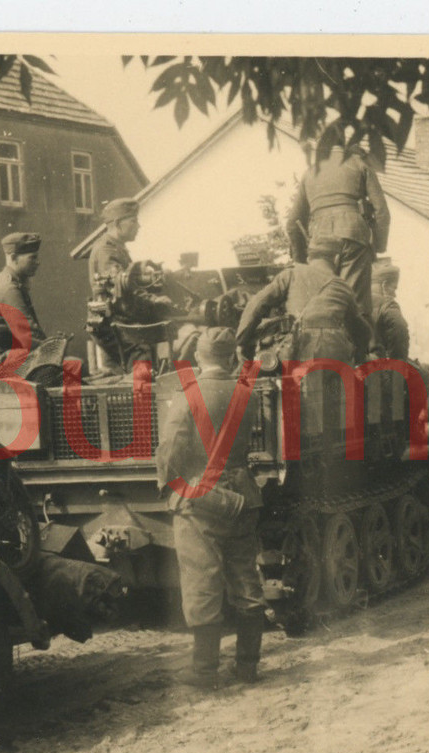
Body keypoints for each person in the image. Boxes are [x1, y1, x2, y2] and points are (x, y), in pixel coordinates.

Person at [155, 328, 266, 689]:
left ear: (200, 357)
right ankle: (248, 667)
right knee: (246, 581)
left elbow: (171, 449)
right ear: (231, 356)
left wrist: (170, 486)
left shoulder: (187, 397)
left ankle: (205, 673)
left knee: (202, 583)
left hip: (200, 498)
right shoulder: (247, 394)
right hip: (242, 496)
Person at [286, 144, 391, 326]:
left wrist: (300, 261)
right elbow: (382, 211)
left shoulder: (310, 172)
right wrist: (378, 247)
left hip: (319, 240)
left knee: (320, 297)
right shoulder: (360, 164)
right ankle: (362, 351)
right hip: (353, 235)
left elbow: (293, 222)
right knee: (355, 303)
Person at [235, 236, 372, 363]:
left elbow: (257, 304)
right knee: (336, 387)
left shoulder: (291, 274)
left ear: (308, 258)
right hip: (335, 352)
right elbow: (362, 331)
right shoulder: (344, 287)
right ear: (336, 259)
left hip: (296, 349)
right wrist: (359, 358)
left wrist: (241, 342)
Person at [87, 198, 172, 372]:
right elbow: (123, 288)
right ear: (118, 224)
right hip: (116, 326)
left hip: (120, 322)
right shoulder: (106, 250)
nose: (138, 226)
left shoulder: (116, 247)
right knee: (142, 369)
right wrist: (154, 300)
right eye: (133, 221)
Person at [0, 232, 47, 364]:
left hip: (2, 354)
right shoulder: (8, 288)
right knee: (73, 366)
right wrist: (53, 347)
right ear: (14, 258)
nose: (38, 262)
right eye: (32, 258)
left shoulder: (15, 283)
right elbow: (27, 335)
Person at [370, 258, 410, 360]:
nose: (395, 294)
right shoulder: (388, 305)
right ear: (384, 285)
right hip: (379, 368)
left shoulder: (357, 302)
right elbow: (399, 330)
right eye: (394, 288)